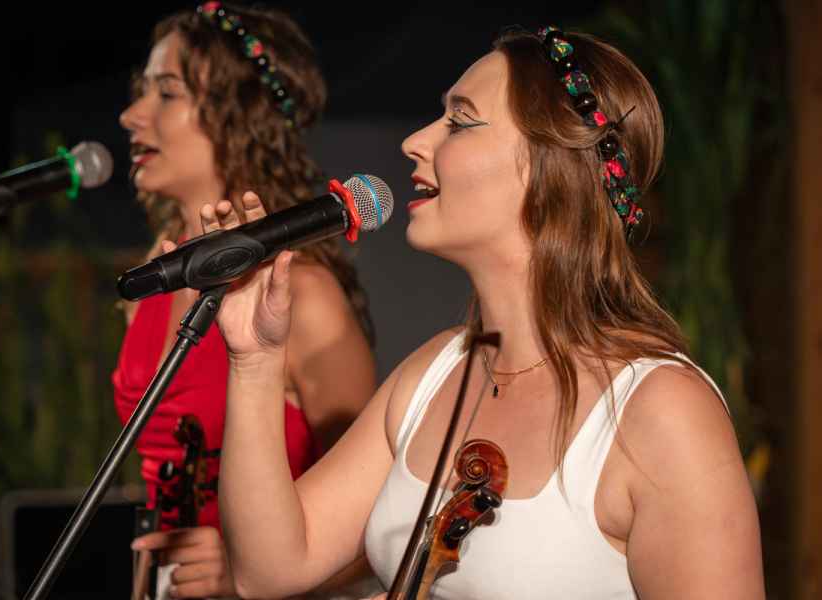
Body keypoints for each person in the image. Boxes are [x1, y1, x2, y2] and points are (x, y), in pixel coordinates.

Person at [201, 26, 765, 599]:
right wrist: (255, 360)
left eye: (460, 122)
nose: (414, 141)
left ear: (549, 166)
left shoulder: (662, 411)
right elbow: (268, 569)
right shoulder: (434, 374)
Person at [112, 3, 377, 598]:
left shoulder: (306, 298)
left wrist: (246, 572)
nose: (132, 115)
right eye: (140, 92)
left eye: (167, 92)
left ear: (241, 115)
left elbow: (378, 527)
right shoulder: (153, 281)